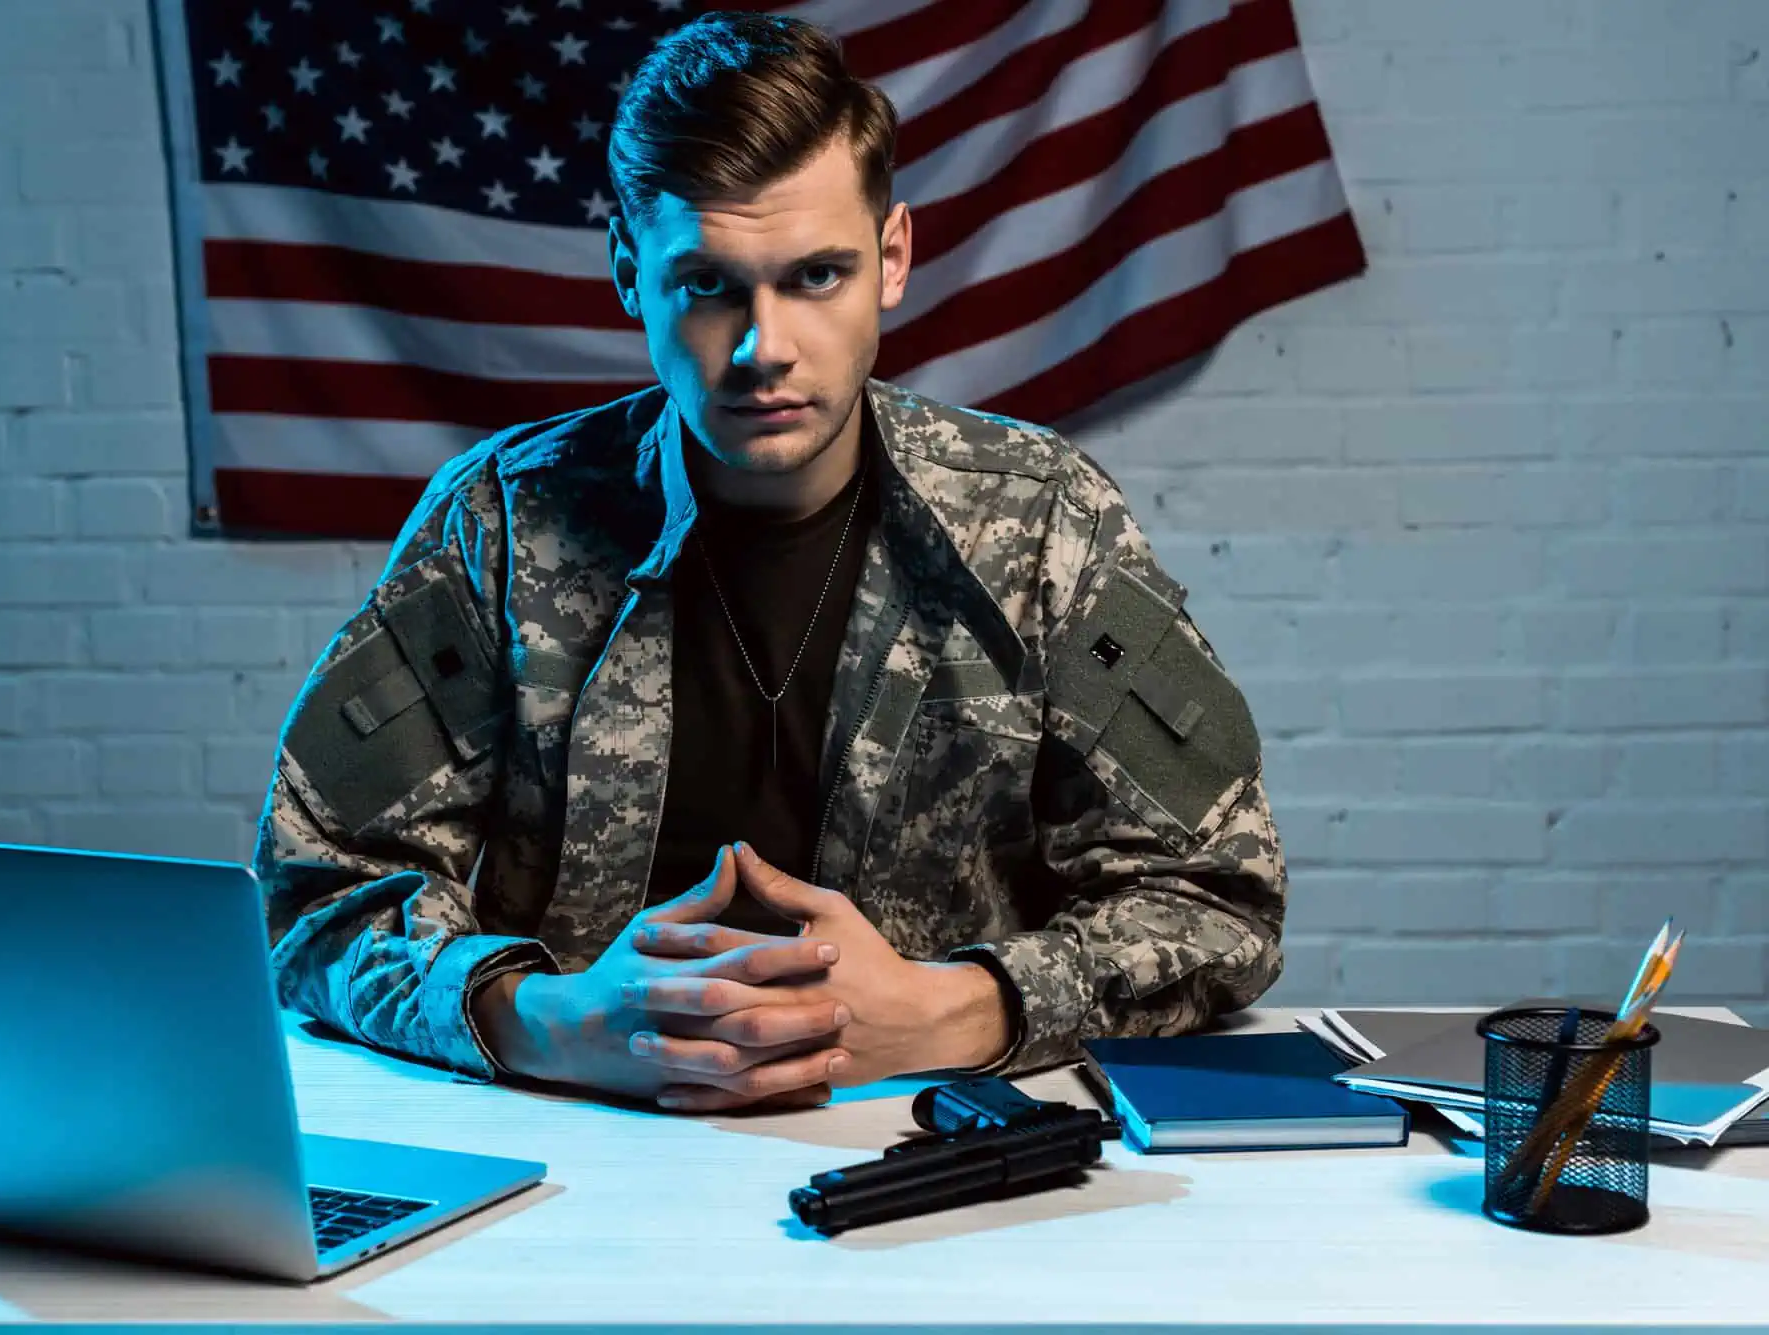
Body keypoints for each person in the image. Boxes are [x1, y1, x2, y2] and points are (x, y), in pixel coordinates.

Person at [256, 12, 1286, 1115]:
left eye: (816, 276)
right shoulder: (504, 520)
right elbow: (323, 888)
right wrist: (541, 1021)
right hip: (585, 1147)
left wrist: (954, 1009)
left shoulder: (1039, 522)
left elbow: (1216, 898)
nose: (763, 349)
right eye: (706, 285)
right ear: (627, 276)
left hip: (940, 1148)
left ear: (890, 260)